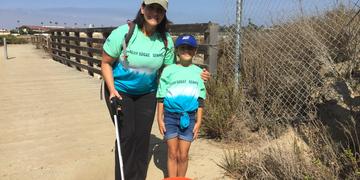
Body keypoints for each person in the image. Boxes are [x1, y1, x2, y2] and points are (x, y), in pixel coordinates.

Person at [101, 1, 210, 179]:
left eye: (160, 10)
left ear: (164, 14)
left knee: (142, 138)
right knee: (127, 136)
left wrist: (198, 75)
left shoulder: (165, 39)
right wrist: (112, 90)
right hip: (120, 90)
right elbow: (105, 63)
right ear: (142, 9)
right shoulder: (124, 32)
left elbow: (171, 72)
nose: (155, 13)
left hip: (147, 93)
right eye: (151, 8)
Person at [156, 34, 206, 178]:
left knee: (183, 155)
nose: (186, 51)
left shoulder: (199, 73)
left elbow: (201, 98)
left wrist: (199, 121)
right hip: (170, 117)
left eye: (190, 48)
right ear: (177, 50)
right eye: (182, 48)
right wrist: (159, 118)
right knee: (172, 153)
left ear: (195, 51)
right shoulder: (169, 70)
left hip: (189, 118)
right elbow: (161, 96)